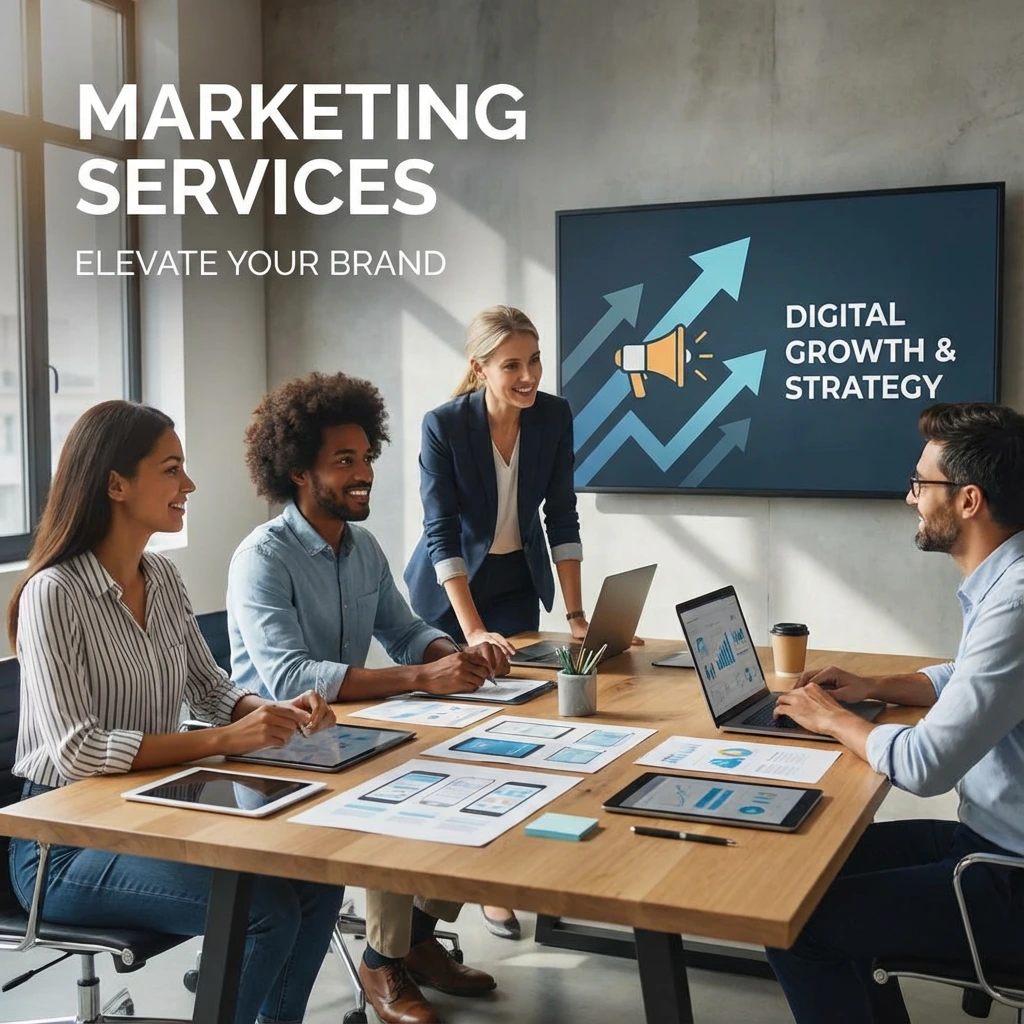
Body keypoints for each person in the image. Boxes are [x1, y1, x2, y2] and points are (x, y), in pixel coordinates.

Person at [8, 400, 344, 1024]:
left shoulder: (161, 577)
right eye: (171, 469)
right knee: (261, 911)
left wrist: (274, 714)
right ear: (116, 484)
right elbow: (76, 749)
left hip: (152, 814)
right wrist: (221, 741)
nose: (188, 485)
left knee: (316, 882)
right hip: (61, 849)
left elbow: (212, 689)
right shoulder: (52, 595)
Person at [227, 372, 505, 1024]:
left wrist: (453, 656)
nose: (364, 474)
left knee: (479, 772)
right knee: (399, 791)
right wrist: (417, 680)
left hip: (343, 735)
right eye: (343, 461)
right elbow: (289, 674)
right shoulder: (262, 558)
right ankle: (383, 963)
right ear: (299, 472)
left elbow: (405, 632)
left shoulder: (364, 548)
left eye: (367, 457)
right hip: (272, 754)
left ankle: (417, 937)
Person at [766, 402, 1024, 1024]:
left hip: (1009, 877)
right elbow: (969, 679)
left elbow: (924, 764)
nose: (910, 497)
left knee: (797, 923)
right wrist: (872, 686)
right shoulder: (1006, 579)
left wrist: (832, 718)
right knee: (804, 868)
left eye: (921, 483)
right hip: (989, 841)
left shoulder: (1016, 602)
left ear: (968, 501)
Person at [403, 304, 639, 939]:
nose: (529, 375)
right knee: (459, 745)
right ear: (480, 368)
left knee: (520, 732)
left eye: (535, 361)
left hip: (514, 584)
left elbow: (562, 515)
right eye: (513, 365)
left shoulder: (553, 415)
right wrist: (471, 629)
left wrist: (579, 616)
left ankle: (494, 878)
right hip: (450, 595)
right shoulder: (444, 426)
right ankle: (433, 894)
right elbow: (441, 533)